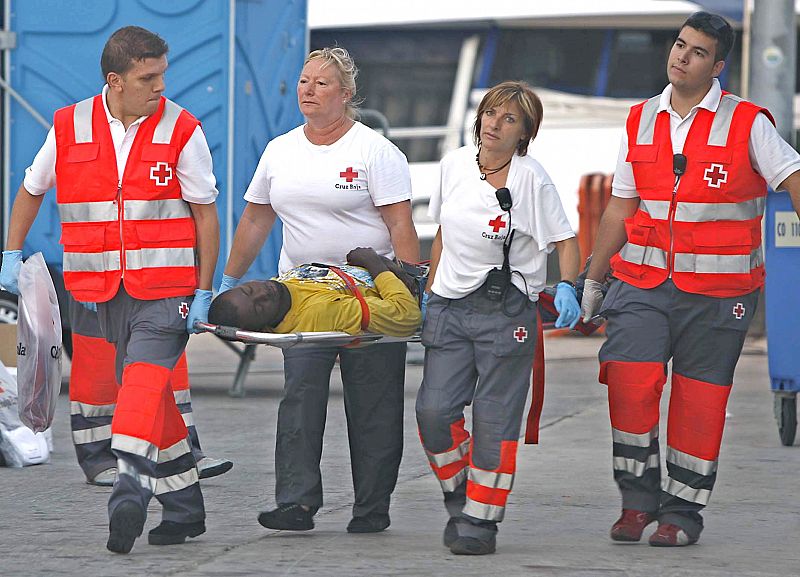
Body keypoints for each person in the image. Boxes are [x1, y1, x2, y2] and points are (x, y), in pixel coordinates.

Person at [580, 12, 800, 547]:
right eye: (680, 44)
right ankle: (637, 502)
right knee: (629, 384)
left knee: (699, 404)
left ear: (717, 66)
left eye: (698, 51)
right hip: (642, 282)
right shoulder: (640, 119)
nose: (681, 56)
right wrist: (593, 277)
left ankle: (681, 513)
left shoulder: (748, 123)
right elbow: (620, 208)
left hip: (721, 294)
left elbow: (794, 180)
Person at [0, 26, 220, 553]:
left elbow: (206, 216)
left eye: (163, 74)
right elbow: (32, 189)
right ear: (115, 81)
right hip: (98, 291)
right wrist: (10, 253)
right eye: (148, 78)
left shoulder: (182, 128)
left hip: (166, 290)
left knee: (141, 382)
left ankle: (130, 486)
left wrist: (206, 290)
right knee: (151, 393)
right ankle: (185, 509)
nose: (160, 87)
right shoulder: (69, 125)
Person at [219, 46, 419, 534]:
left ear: (346, 94)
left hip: (367, 295)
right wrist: (226, 283)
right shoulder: (280, 150)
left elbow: (400, 224)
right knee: (300, 397)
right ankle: (296, 502)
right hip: (301, 297)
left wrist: (413, 286)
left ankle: (371, 507)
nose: (308, 90)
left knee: (373, 405)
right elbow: (256, 219)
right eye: (304, 81)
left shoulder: (375, 151)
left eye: (322, 83)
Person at [415, 80, 581, 556]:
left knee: (494, 420)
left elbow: (565, 241)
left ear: (524, 134)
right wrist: (430, 291)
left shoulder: (532, 179)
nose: (495, 124)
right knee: (433, 412)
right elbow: (443, 233)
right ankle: (461, 495)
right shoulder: (453, 166)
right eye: (491, 113)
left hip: (507, 313)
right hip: (450, 306)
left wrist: (567, 286)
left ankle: (480, 522)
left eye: (509, 119)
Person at [68, 300, 233, 486]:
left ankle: (181, 453)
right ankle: (100, 458)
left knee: (162, 356)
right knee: (100, 358)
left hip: (155, 286)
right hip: (103, 285)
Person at [209, 247, 420, 336]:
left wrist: (381, 265)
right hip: (420, 289)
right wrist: (374, 263)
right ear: (261, 330)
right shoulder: (320, 312)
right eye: (259, 308)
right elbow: (407, 316)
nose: (262, 293)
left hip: (398, 270)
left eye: (249, 289)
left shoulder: (282, 286)